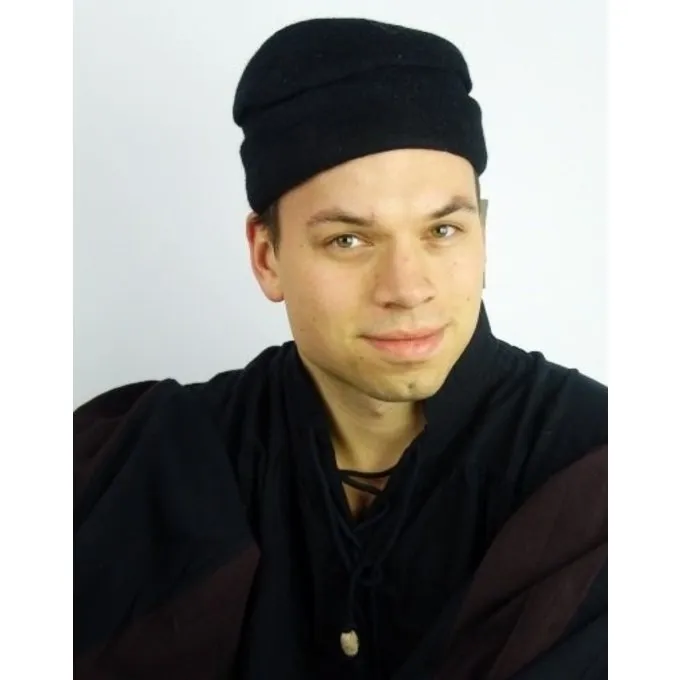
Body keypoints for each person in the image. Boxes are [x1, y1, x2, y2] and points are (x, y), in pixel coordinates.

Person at [74, 17, 607, 680]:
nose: (407, 289)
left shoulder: (601, 474)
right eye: (348, 240)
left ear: (483, 235)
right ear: (267, 257)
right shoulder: (146, 464)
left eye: (442, 230)